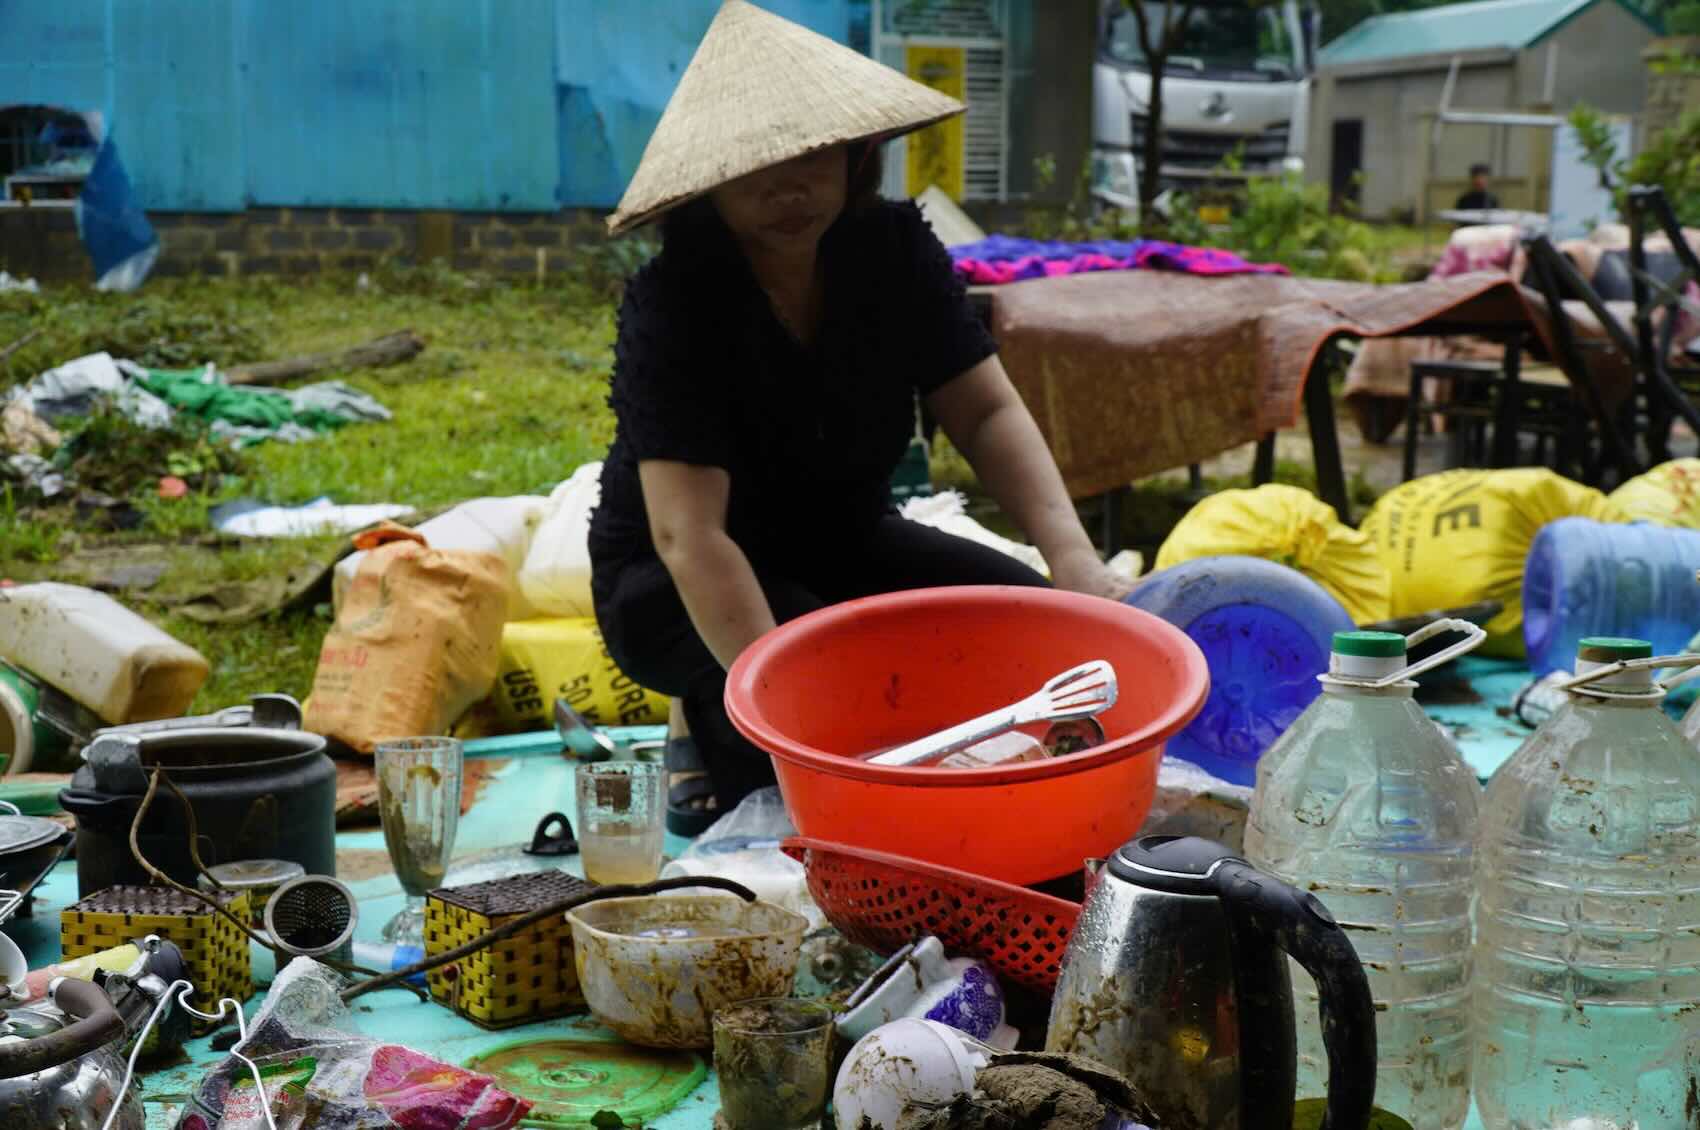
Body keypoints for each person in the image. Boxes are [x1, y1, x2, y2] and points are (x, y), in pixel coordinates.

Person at [588, 0, 1132, 834]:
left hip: (846, 542)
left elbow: (984, 412)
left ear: (854, 155)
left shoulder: (894, 252)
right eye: (756, 164)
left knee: (1033, 626)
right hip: (676, 584)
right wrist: (789, 712)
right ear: (708, 185)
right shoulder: (676, 300)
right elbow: (688, 537)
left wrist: (1076, 563)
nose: (789, 184)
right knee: (837, 717)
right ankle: (712, 715)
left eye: (812, 154)